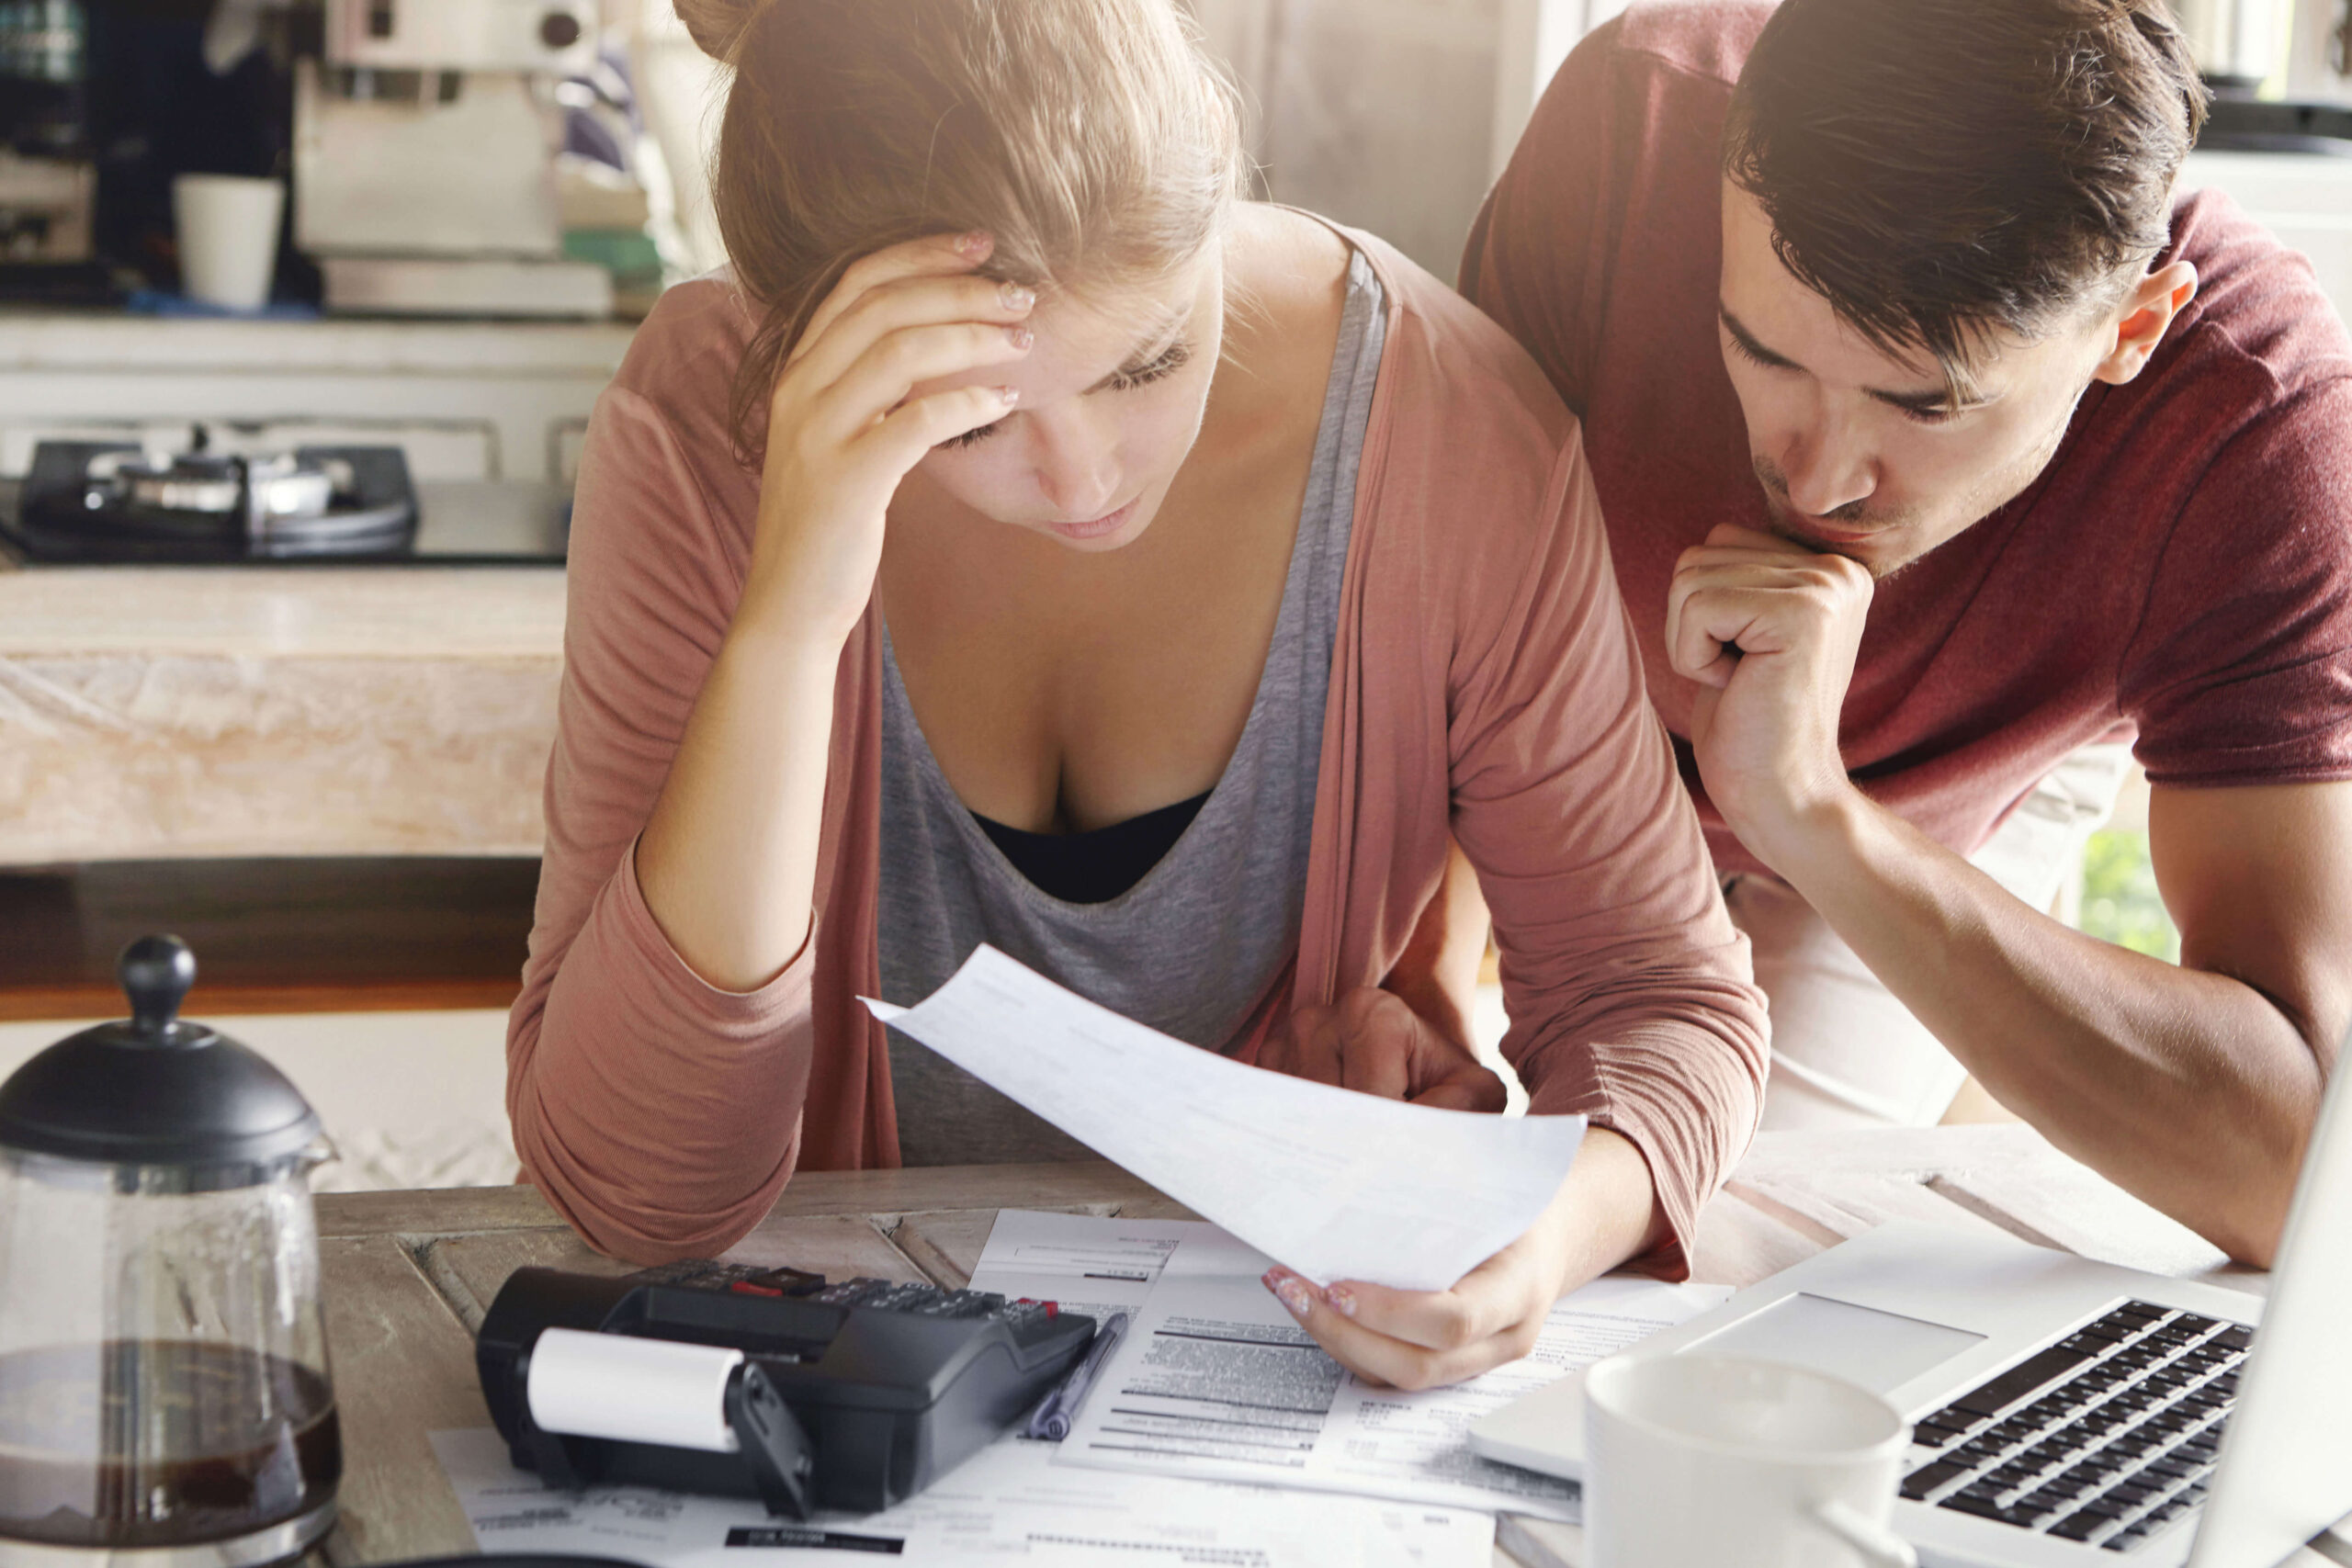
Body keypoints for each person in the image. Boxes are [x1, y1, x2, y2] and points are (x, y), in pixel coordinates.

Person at [505, 0, 1770, 1389]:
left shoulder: (1446, 422)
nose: (1089, 479)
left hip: (1253, 1393)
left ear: (1214, 206)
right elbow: (640, 1196)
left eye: (1150, 359)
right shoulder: (707, 430)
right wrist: (790, 623)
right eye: (971, 420)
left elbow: (1656, 998)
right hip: (829, 1395)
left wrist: (1534, 1250)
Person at [1462, 0, 2352, 1265]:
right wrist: (1423, 993)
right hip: (1569, 719)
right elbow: (1442, 608)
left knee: (1700, 1235)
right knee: (1458, 1166)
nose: (1816, 485)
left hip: (1953, 781)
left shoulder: (2265, 418)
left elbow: (2293, 1174)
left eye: (1922, 403)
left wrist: (1814, 814)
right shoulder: (1639, 116)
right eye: (1760, 350)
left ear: (2132, 331)